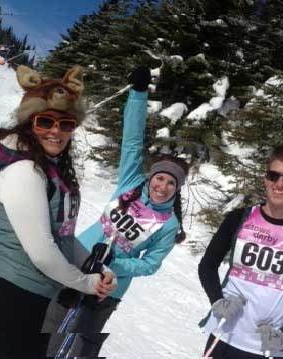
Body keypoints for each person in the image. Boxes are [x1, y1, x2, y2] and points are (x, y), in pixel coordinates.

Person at [0, 65, 116, 358]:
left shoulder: (51, 170)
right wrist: (86, 282)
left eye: (66, 124)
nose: (55, 131)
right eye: (45, 121)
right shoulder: (23, 171)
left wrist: (98, 268)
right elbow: (43, 253)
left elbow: (61, 236)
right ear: (28, 123)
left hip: (27, 301)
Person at [43, 66, 190, 357]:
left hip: (109, 286)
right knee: (47, 326)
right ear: (151, 177)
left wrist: (116, 265)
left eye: (171, 183)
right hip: (75, 261)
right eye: (160, 178)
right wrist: (137, 95)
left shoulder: (169, 223)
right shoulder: (131, 182)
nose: (163, 186)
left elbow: (150, 264)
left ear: (177, 189)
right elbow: (133, 141)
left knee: (82, 345)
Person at [198, 146, 283, 359]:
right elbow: (207, 265)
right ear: (265, 178)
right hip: (223, 335)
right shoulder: (238, 218)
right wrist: (217, 301)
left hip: (269, 347)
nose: (279, 184)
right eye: (274, 175)